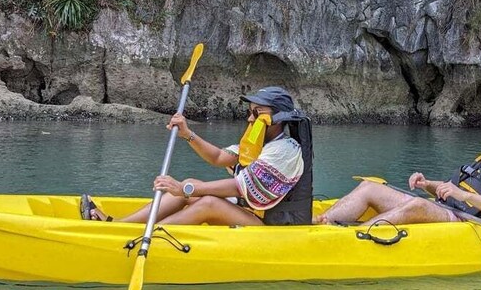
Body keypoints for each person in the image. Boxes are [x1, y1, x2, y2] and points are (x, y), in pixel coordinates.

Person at [81, 86, 313, 226]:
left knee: (208, 201)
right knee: (191, 183)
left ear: (278, 119)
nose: (250, 118)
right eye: (250, 112)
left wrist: (186, 190)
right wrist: (187, 134)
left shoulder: (285, 150)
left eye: (257, 113)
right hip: (251, 212)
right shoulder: (258, 139)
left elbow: (241, 187)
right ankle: (118, 226)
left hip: (274, 225)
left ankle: (148, 236)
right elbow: (220, 158)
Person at [314, 117, 481, 226]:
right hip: (444, 208)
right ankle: (323, 222)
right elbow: (449, 190)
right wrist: (427, 184)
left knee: (419, 206)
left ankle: (353, 238)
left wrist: (464, 196)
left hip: (466, 221)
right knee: (370, 187)